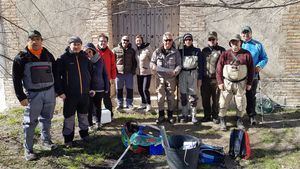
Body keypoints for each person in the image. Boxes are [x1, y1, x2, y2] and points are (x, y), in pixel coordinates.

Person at [12, 30, 57, 161]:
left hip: (49, 92)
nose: (35, 41)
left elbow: (55, 72)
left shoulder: (48, 55)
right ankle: (28, 149)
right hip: (33, 95)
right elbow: (16, 79)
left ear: (41, 41)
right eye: (32, 39)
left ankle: (46, 141)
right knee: (30, 122)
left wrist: (57, 90)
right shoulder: (21, 57)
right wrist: (21, 97)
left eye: (38, 39)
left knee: (47, 119)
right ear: (28, 41)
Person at [56, 36, 95, 147]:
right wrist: (60, 92)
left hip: (85, 94)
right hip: (69, 95)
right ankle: (68, 139)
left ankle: (84, 134)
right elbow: (57, 77)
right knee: (69, 118)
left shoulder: (85, 58)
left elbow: (91, 74)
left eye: (78, 44)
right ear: (70, 45)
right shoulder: (63, 59)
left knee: (84, 116)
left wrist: (91, 88)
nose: (76, 46)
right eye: (74, 44)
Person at [216, 34, 254, 131]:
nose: (235, 45)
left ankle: (239, 120)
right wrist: (220, 82)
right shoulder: (225, 54)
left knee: (240, 102)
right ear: (230, 44)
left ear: (240, 43)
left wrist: (249, 83)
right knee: (223, 102)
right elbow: (219, 69)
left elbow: (251, 70)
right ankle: (222, 120)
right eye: (233, 43)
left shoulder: (247, 54)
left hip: (241, 83)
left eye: (237, 42)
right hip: (227, 83)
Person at [151, 32, 181, 124]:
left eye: (170, 40)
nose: (167, 42)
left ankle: (170, 116)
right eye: (166, 40)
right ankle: (161, 116)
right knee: (160, 97)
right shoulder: (157, 51)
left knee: (171, 97)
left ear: (172, 41)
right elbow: (152, 62)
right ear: (163, 40)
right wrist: (153, 66)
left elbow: (179, 65)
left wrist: (175, 71)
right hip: (160, 78)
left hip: (171, 78)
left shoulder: (176, 52)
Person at [241, 26, 268, 125]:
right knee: (238, 95)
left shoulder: (257, 45)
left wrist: (259, 66)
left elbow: (264, 58)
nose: (245, 34)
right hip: (239, 76)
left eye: (247, 32)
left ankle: (251, 115)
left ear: (251, 33)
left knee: (251, 95)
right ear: (241, 34)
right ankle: (239, 115)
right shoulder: (238, 44)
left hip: (253, 75)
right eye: (243, 33)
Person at [178, 33, 205, 124]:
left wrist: (200, 78)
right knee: (183, 95)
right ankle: (184, 114)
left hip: (193, 74)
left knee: (193, 95)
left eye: (189, 40)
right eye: (186, 40)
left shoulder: (197, 51)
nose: (188, 41)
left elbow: (201, 66)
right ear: (184, 41)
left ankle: (193, 115)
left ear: (192, 40)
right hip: (182, 74)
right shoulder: (180, 51)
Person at [201, 31, 226, 123]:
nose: (211, 41)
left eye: (213, 39)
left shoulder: (222, 50)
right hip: (205, 79)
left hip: (216, 79)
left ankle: (215, 116)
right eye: (209, 39)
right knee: (205, 98)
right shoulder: (204, 50)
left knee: (216, 99)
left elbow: (225, 64)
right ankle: (207, 115)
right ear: (207, 41)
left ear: (216, 40)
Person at [84, 43, 109, 130]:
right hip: (88, 89)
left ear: (93, 51)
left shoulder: (100, 60)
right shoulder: (84, 61)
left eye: (90, 51)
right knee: (89, 108)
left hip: (99, 87)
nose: (88, 54)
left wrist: (106, 87)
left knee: (98, 106)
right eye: (86, 52)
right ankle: (90, 124)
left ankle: (98, 122)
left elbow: (105, 74)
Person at [112, 36, 137, 110]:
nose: (125, 41)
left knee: (129, 89)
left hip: (129, 73)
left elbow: (134, 62)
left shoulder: (132, 50)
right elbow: (113, 62)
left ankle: (129, 104)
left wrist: (133, 71)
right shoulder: (115, 50)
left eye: (127, 40)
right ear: (121, 40)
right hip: (119, 74)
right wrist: (115, 72)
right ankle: (120, 104)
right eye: (124, 40)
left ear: (128, 41)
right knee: (119, 89)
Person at [96, 33, 116, 117]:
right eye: (101, 41)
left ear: (107, 42)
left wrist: (112, 78)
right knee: (96, 100)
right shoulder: (94, 51)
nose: (103, 43)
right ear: (98, 42)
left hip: (106, 79)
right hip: (95, 80)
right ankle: (97, 116)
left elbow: (113, 66)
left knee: (107, 98)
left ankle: (109, 116)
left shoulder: (110, 53)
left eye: (104, 41)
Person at [135, 34, 152, 112]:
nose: (138, 42)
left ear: (142, 41)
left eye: (139, 40)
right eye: (137, 41)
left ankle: (148, 104)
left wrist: (152, 69)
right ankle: (143, 103)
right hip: (139, 73)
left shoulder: (147, 49)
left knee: (145, 89)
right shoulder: (136, 50)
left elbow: (152, 59)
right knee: (140, 89)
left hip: (147, 72)